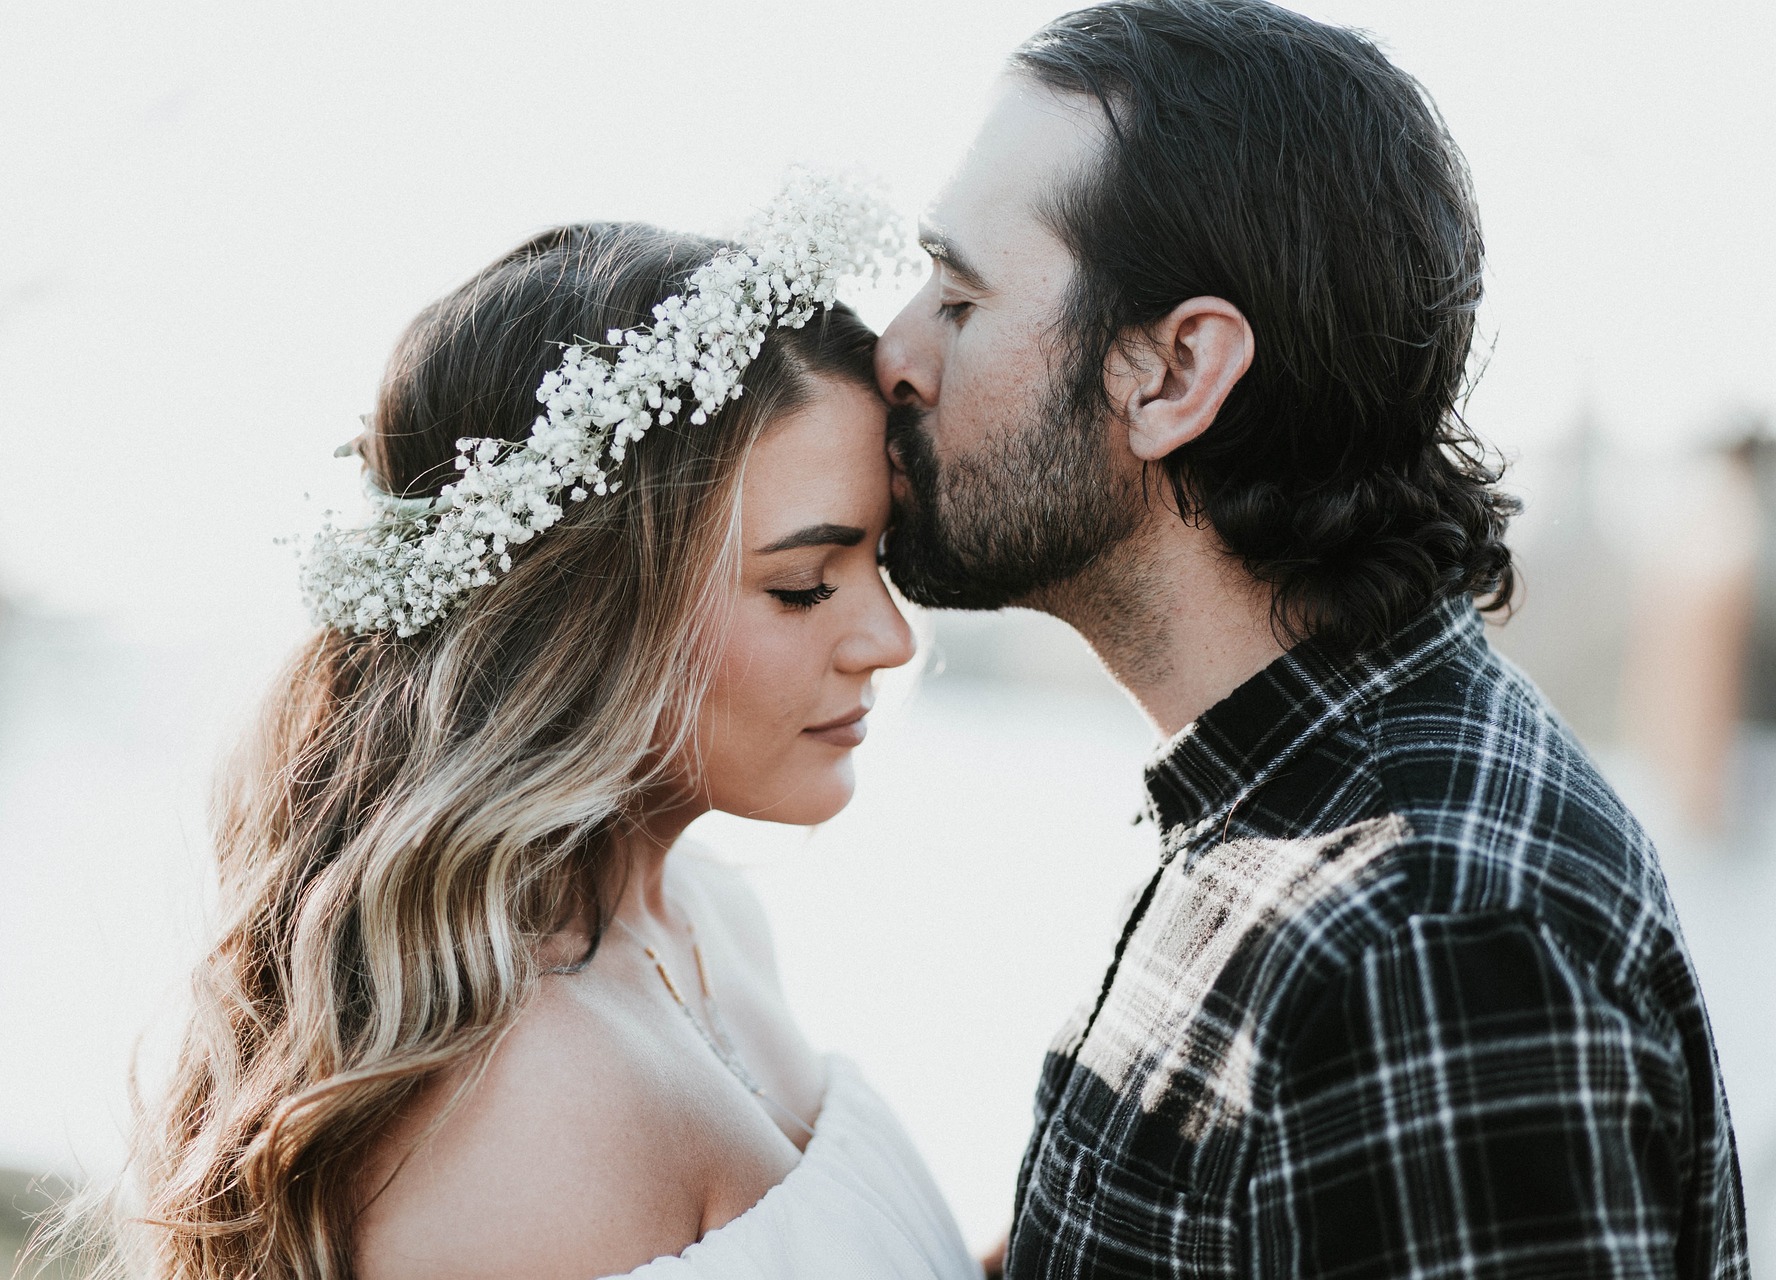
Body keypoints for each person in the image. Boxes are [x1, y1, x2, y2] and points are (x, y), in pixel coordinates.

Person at [874, 2, 1750, 1276]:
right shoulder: (1272, 813)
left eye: (959, 295)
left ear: (1176, 374)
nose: (895, 349)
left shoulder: (1420, 938)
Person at [107, 190, 980, 1279]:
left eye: (878, 560)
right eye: (803, 584)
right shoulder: (521, 1117)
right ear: (583, 616)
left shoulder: (710, 917)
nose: (889, 639)